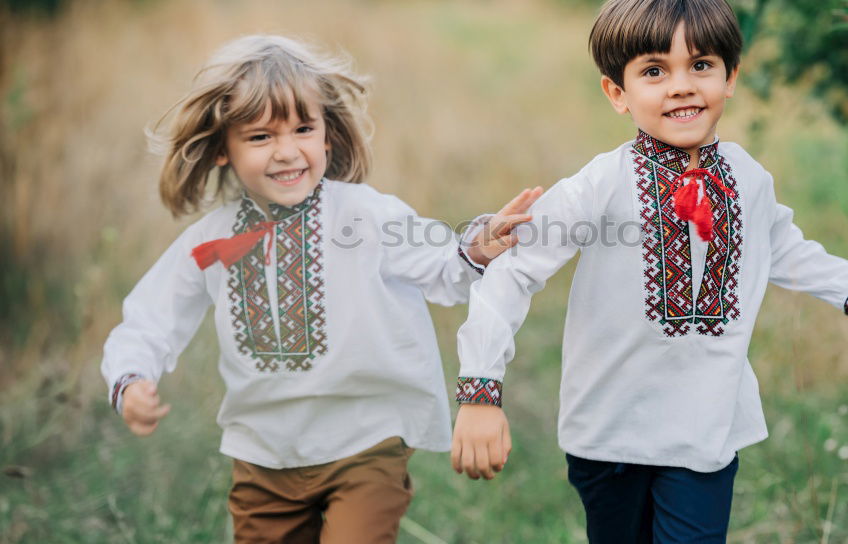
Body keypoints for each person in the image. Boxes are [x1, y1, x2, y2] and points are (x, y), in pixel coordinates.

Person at [450, 0, 848, 543]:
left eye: (701, 65)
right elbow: (513, 272)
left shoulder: (747, 177)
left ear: (731, 76)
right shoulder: (601, 184)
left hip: (705, 425)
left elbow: (782, 244)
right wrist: (480, 390)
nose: (681, 87)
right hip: (608, 428)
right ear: (617, 93)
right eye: (653, 71)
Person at [100, 34, 542, 543]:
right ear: (223, 149)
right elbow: (151, 317)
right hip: (263, 455)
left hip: (367, 440)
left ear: (327, 137)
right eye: (261, 137)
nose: (287, 152)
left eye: (303, 129)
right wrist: (131, 378)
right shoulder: (212, 242)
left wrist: (478, 247)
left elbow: (444, 266)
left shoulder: (366, 216)